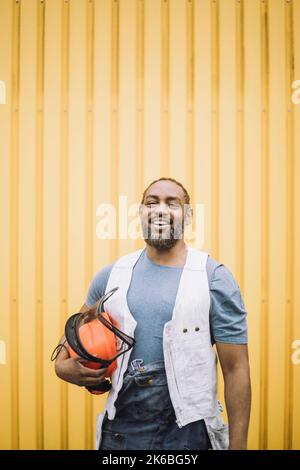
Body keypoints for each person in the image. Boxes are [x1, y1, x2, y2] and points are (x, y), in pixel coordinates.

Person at [55, 177, 251, 450]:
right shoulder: (111, 276)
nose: (160, 210)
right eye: (151, 202)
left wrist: (238, 444)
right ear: (141, 213)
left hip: (190, 435)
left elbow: (236, 369)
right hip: (122, 433)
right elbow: (69, 346)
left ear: (189, 215)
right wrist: (62, 367)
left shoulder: (213, 278)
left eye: (173, 204)